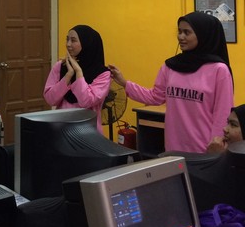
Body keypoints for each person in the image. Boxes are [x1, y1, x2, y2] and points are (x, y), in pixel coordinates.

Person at [109, 11, 233, 153]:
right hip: (173, 149)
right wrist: (124, 83)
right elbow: (154, 97)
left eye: (187, 32)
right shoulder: (170, 66)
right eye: (179, 31)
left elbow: (223, 113)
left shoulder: (219, 70)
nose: (181, 37)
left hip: (204, 150)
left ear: (203, 35)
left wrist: (216, 146)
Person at [43, 25, 111, 133]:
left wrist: (78, 72)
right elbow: (50, 100)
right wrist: (68, 75)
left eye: (73, 40)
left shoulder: (103, 74)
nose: (68, 44)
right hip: (61, 130)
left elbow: (86, 101)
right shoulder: (60, 66)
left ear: (87, 43)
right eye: (67, 39)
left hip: (88, 132)